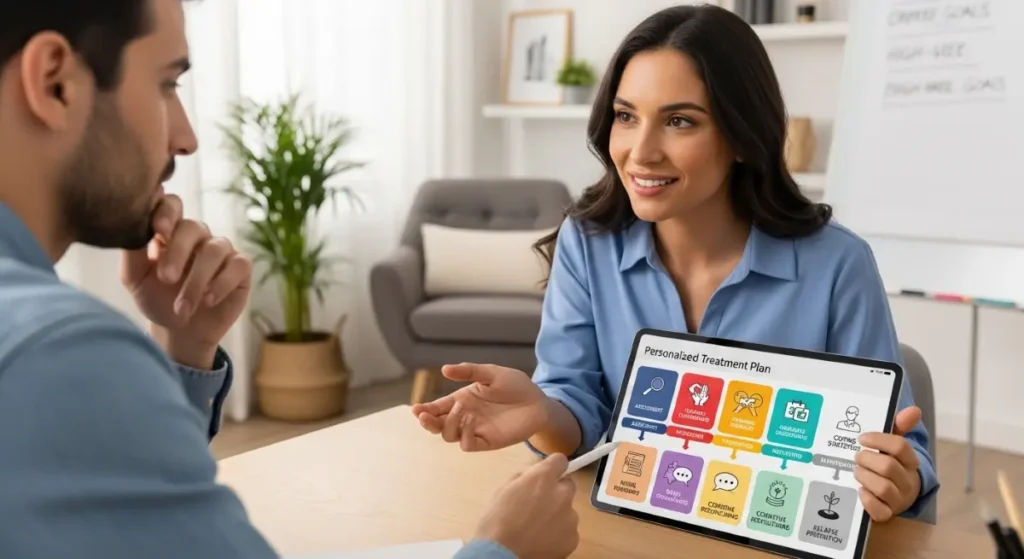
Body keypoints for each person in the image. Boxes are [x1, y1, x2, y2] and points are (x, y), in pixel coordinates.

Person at [0, 1, 578, 558]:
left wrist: (184, 348)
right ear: (55, 82)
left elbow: (119, 520)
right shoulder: (56, 352)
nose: (186, 138)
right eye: (166, 84)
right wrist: (502, 549)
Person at [414, 4, 939, 523]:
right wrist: (542, 410)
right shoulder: (588, 242)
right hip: (634, 530)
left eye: (679, 121)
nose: (640, 152)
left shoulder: (838, 264)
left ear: (740, 134)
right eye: (626, 116)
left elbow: (902, 453)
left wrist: (899, 478)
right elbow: (577, 405)